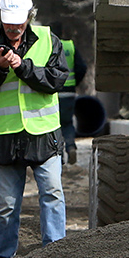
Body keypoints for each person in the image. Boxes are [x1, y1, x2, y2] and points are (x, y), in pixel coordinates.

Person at [0, 0, 68, 258]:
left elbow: (57, 80)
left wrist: (24, 67)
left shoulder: (49, 40)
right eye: (8, 23)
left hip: (43, 135)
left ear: (29, 18)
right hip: (4, 137)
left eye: (19, 24)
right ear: (0, 19)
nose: (13, 29)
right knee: (6, 206)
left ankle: (55, 256)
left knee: (53, 195)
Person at [56, 31, 89, 165]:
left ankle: (59, 155)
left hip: (53, 92)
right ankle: (70, 147)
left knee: (54, 125)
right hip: (69, 92)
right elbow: (82, 67)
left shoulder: (48, 45)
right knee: (67, 123)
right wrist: (74, 82)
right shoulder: (70, 45)